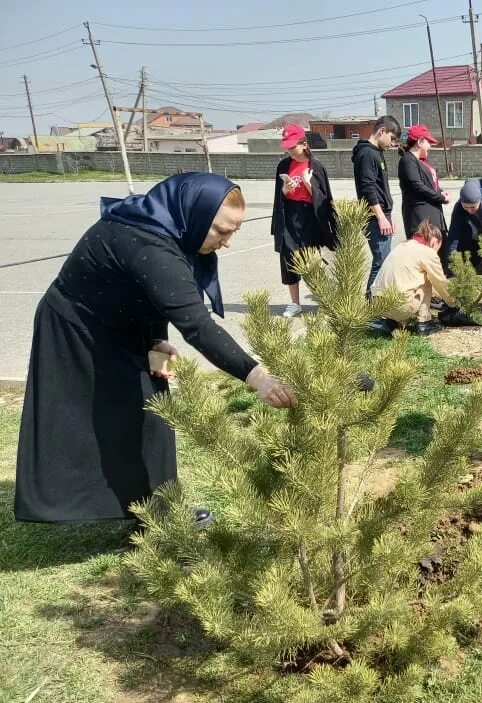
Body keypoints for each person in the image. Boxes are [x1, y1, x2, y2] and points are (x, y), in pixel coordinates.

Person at [14, 174, 296, 525]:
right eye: (221, 231)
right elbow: (197, 326)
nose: (226, 242)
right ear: (193, 215)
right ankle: (147, 512)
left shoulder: (163, 224)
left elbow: (151, 293)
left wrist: (154, 341)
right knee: (98, 417)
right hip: (79, 327)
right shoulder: (148, 243)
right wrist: (259, 378)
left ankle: (152, 508)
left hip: (121, 322)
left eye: (233, 232)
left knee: (152, 408)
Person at [270, 124, 338, 318]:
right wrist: (285, 190)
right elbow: (279, 196)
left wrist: (308, 184)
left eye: (293, 147)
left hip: (310, 216)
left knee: (310, 259)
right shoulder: (283, 166)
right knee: (288, 257)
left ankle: (324, 299)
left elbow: (323, 199)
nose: (290, 151)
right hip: (289, 214)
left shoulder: (316, 166)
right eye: (287, 147)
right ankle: (294, 303)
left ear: (304, 144)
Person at [370, 220, 454, 336]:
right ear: (434, 242)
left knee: (409, 278)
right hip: (398, 306)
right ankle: (424, 323)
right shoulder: (427, 252)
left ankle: (393, 321)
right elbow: (440, 282)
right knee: (428, 276)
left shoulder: (401, 246)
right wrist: (453, 303)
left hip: (378, 305)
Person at [352, 115, 401, 294]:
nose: (393, 144)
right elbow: (368, 188)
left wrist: (387, 216)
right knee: (381, 261)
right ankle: (372, 306)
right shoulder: (367, 154)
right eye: (392, 138)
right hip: (374, 218)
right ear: (381, 131)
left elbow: (380, 188)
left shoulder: (376, 152)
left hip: (381, 215)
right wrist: (381, 217)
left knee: (383, 260)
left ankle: (375, 304)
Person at [397, 124, 449, 239]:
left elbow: (430, 184)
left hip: (433, 215)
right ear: (420, 141)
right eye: (428, 142)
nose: (430, 146)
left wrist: (441, 192)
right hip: (420, 218)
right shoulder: (407, 161)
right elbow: (417, 186)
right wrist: (439, 197)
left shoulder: (423, 161)